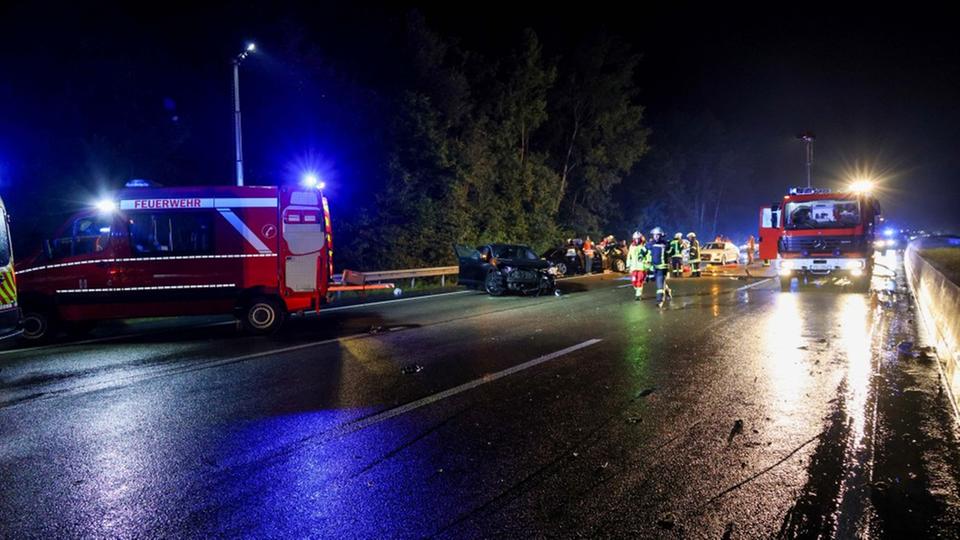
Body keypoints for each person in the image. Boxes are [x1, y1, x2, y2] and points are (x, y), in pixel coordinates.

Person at [649, 227, 672, 308]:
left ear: (661, 235)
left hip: (663, 268)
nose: (656, 237)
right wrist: (641, 255)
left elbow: (670, 252)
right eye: (655, 235)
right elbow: (645, 250)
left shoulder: (665, 243)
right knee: (661, 283)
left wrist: (669, 246)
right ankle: (668, 291)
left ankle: (660, 301)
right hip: (655, 267)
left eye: (658, 235)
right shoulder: (651, 243)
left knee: (659, 284)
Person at [626, 232, 651, 301]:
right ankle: (637, 290)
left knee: (639, 280)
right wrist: (628, 265)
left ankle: (638, 294)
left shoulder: (643, 246)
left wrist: (648, 264)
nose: (636, 240)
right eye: (635, 239)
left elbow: (648, 255)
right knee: (634, 281)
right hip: (633, 267)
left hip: (641, 267)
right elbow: (629, 256)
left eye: (638, 239)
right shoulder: (631, 246)